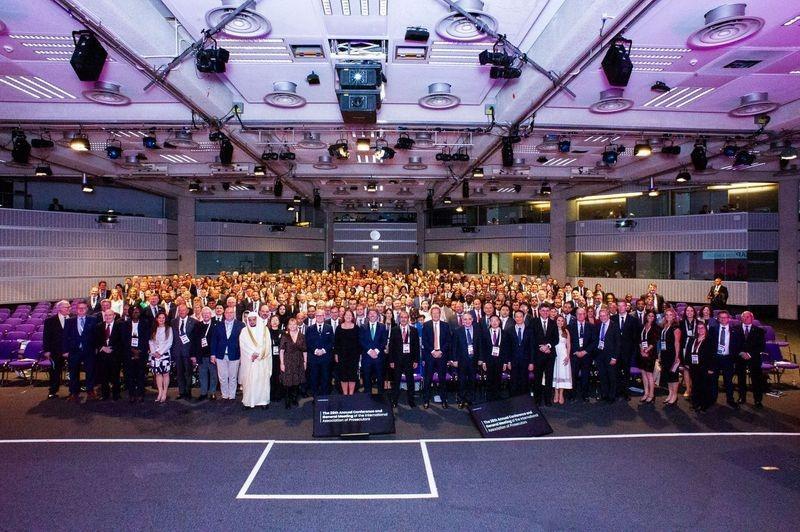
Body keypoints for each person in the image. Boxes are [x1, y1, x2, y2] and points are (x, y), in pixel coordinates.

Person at [63, 301, 98, 402]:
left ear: (87, 309)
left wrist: (96, 348)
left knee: (90, 372)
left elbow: (96, 335)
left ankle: (90, 391)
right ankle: (74, 392)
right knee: (73, 373)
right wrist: (65, 350)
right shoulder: (69, 321)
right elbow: (65, 337)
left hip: (89, 351)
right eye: (79, 308)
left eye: (83, 308)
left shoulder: (93, 319)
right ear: (76, 309)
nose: (81, 310)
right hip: (74, 351)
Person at [238, 312, 272, 409]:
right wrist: (251, 354)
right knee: (249, 382)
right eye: (250, 320)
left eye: (254, 319)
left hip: (262, 361)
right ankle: (248, 402)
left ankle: (263, 401)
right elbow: (243, 345)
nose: (252, 321)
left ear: (257, 319)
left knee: (262, 381)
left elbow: (267, 345)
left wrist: (258, 354)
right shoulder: (244, 331)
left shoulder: (265, 330)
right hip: (249, 361)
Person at [210, 306, 245, 401]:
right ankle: (225, 395)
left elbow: (243, 341)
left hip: (235, 354)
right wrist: (213, 354)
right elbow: (214, 341)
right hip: (220, 355)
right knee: (222, 377)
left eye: (231, 312)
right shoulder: (218, 325)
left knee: (233, 377)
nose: (229, 314)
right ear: (224, 314)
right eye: (227, 312)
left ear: (234, 314)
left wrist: (242, 355)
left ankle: (232, 396)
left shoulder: (241, 325)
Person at [709, 310, 741, 409]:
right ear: (718, 319)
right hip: (715, 358)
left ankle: (730, 400)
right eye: (721, 317)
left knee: (728, 381)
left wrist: (734, 359)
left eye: (725, 317)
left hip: (728, 358)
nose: (723, 319)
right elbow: (709, 344)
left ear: (729, 319)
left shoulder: (734, 330)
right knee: (713, 380)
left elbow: (737, 346)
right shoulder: (713, 329)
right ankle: (713, 399)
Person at [388, 310, 419, 408]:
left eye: (405, 317)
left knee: (410, 381)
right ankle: (394, 400)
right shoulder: (394, 330)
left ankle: (411, 400)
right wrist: (391, 360)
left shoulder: (414, 330)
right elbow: (391, 346)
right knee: (396, 381)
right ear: (399, 319)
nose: (403, 319)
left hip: (409, 360)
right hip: (397, 360)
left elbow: (416, 347)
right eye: (402, 317)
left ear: (408, 319)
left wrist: (416, 360)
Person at [421, 305, 451, 408]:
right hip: (430, 355)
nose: (435, 315)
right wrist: (433, 351)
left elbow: (448, 341)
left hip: (442, 355)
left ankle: (444, 400)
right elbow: (424, 341)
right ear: (431, 314)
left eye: (437, 313)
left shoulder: (445, 325)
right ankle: (426, 400)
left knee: (442, 378)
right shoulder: (426, 325)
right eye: (433, 313)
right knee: (428, 379)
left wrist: (440, 351)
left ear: (440, 314)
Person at [735, 311, 765, 408]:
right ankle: (742, 397)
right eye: (743, 317)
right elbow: (733, 344)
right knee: (741, 379)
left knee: (756, 380)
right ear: (741, 318)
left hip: (754, 358)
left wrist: (749, 354)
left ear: (752, 318)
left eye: (748, 317)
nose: (745, 318)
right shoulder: (735, 329)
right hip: (740, 357)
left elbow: (761, 346)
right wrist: (741, 353)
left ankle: (758, 400)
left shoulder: (759, 331)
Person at [451, 312, 480, 408]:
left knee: (472, 381)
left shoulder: (477, 330)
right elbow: (454, 347)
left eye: (469, 319)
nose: (467, 321)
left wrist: (480, 359)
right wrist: (454, 360)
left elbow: (480, 345)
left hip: (473, 360)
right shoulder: (457, 331)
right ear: (462, 321)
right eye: (465, 319)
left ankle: (471, 399)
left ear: (472, 320)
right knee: (461, 381)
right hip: (461, 360)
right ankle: (461, 399)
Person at [685, 322, 716, 412]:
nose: (700, 330)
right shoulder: (692, 339)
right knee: (695, 385)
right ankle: (695, 403)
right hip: (693, 366)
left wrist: (711, 368)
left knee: (704, 386)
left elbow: (712, 355)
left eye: (702, 328)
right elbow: (688, 351)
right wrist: (687, 363)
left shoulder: (709, 340)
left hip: (705, 367)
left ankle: (704, 404)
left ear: (706, 329)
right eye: (698, 328)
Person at [42, 300, 70, 399]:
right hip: (56, 351)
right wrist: (47, 350)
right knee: (55, 371)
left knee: (74, 370)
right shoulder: (50, 321)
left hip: (71, 350)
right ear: (59, 308)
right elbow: (46, 336)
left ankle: (74, 390)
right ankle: (53, 391)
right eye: (66, 307)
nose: (69, 309)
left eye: (69, 307)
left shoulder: (73, 319)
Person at [532, 303, 558, 406]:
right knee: (537, 378)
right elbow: (532, 338)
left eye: (547, 311)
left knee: (549, 378)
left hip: (549, 355)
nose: (545, 312)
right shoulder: (534, 322)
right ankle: (537, 400)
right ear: (539, 311)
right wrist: (540, 347)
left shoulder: (553, 323)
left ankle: (548, 400)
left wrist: (548, 346)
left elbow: (556, 339)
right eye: (543, 310)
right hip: (538, 355)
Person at [612, 301, 638, 401]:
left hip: (627, 351)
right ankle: (617, 391)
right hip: (616, 351)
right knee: (616, 372)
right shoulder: (613, 318)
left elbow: (635, 337)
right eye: (619, 306)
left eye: (622, 306)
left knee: (626, 373)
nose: (621, 308)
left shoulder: (633, 320)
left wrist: (633, 351)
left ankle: (626, 392)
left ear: (626, 307)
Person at [94, 309, 123, 401]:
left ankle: (116, 394)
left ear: (114, 316)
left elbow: (122, 341)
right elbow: (95, 340)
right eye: (106, 315)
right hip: (102, 355)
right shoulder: (99, 326)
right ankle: (105, 394)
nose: (108, 317)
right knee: (104, 376)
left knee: (115, 376)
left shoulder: (120, 326)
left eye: (110, 315)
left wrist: (112, 348)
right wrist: (102, 348)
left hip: (115, 355)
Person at [122, 306, 150, 402]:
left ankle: (140, 394)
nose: (135, 313)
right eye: (134, 312)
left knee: (141, 374)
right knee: (130, 375)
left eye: (137, 312)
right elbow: (124, 339)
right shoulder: (125, 324)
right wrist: (132, 350)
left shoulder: (145, 323)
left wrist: (139, 350)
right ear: (130, 313)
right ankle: (132, 394)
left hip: (141, 352)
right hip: (129, 352)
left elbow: (146, 338)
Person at [568, 307, 596, 402]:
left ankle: (585, 395)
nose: (581, 315)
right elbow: (569, 342)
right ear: (576, 315)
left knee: (585, 376)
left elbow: (594, 341)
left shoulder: (591, 326)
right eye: (579, 314)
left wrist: (585, 351)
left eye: (583, 314)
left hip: (586, 355)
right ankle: (572, 395)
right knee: (573, 375)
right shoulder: (570, 326)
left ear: (586, 315)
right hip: (574, 355)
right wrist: (576, 351)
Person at [480, 314, 509, 402]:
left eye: (496, 320)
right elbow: (482, 348)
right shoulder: (485, 333)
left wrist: (505, 362)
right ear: (489, 322)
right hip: (489, 360)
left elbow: (506, 349)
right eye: (492, 321)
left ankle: (497, 396)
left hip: (500, 360)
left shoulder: (504, 333)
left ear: (499, 322)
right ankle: (489, 397)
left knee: (498, 378)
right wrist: (484, 362)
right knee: (489, 379)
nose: (494, 322)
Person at [306, 310, 334, 398]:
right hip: (313, 358)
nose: (319, 317)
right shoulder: (310, 328)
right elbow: (307, 342)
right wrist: (315, 351)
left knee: (325, 378)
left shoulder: (329, 328)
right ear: (315, 317)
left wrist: (323, 350)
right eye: (317, 315)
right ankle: (315, 397)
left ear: (324, 316)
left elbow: (332, 342)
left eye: (321, 315)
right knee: (314, 378)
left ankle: (325, 397)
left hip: (325, 357)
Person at [360, 309, 388, 396]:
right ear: (367, 316)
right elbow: (361, 340)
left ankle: (381, 397)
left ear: (377, 315)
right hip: (367, 357)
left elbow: (384, 341)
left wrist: (376, 351)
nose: (372, 315)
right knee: (366, 377)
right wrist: (369, 351)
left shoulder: (382, 326)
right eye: (370, 313)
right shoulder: (363, 327)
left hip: (378, 356)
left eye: (374, 313)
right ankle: (367, 397)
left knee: (380, 377)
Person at [594, 309, 620, 403]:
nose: (602, 317)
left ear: (608, 316)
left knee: (611, 376)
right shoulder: (598, 325)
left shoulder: (615, 326)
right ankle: (604, 394)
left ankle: (612, 396)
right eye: (600, 316)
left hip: (611, 356)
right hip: (600, 355)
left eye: (604, 315)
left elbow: (618, 343)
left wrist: (614, 357)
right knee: (602, 376)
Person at [279, 318, 307, 408]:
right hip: (287, 361)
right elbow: (281, 351)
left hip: (298, 361)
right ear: (288, 326)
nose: (292, 326)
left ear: (297, 325)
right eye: (290, 324)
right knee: (287, 382)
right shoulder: (285, 336)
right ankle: (287, 401)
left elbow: (304, 351)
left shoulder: (302, 336)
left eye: (294, 324)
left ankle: (294, 399)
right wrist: (282, 363)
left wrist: (305, 362)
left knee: (296, 381)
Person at [657, 308, 682, 406]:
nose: (668, 316)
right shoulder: (665, 326)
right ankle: (670, 393)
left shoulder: (676, 328)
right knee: (667, 375)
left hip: (672, 354)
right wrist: (660, 353)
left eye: (670, 314)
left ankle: (675, 395)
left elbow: (677, 343)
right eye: (666, 315)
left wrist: (677, 356)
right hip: (665, 353)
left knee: (673, 375)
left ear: (674, 316)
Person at [192, 306, 217, 401]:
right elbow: (194, 341)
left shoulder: (216, 324)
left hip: (212, 355)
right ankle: (203, 393)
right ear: (201, 315)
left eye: (207, 313)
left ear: (211, 314)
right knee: (202, 375)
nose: (206, 315)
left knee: (213, 375)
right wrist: (193, 355)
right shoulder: (197, 325)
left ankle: (212, 392)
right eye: (204, 313)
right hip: (201, 355)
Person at [171, 304, 196, 400]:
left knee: (188, 373)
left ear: (187, 311)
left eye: (184, 310)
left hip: (188, 352)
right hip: (177, 351)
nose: (182, 312)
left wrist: (194, 354)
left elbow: (195, 339)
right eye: (180, 310)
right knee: (179, 373)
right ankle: (181, 392)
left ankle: (188, 392)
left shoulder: (194, 322)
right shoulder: (173, 322)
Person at [334, 309, 361, 396]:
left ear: (352, 317)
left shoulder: (356, 328)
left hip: (354, 356)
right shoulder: (339, 328)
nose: (348, 317)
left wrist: (359, 355)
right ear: (343, 316)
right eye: (346, 315)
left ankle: (351, 394)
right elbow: (336, 342)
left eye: (350, 315)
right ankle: (345, 394)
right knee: (343, 375)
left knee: (352, 375)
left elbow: (359, 342)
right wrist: (336, 354)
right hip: (342, 355)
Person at [148, 311, 172, 403]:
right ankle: (160, 392)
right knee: (157, 374)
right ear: (156, 319)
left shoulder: (169, 329)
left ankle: (165, 392)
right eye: (159, 318)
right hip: (155, 355)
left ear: (165, 319)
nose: (161, 319)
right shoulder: (154, 329)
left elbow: (169, 343)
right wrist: (154, 352)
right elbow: (151, 341)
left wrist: (160, 352)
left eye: (163, 318)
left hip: (164, 355)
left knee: (165, 373)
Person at [508, 310, 533, 397]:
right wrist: (508, 361)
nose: (518, 318)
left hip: (526, 360)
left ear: (523, 318)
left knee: (524, 380)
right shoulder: (509, 330)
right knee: (513, 380)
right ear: (514, 318)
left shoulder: (530, 330)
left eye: (520, 316)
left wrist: (531, 362)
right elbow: (508, 347)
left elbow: (532, 347)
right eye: (517, 317)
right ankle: (513, 399)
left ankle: (524, 398)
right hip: (513, 360)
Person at [637, 310, 659, 404]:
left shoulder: (656, 327)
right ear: (646, 316)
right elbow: (639, 339)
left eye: (652, 316)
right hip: (642, 353)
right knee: (643, 373)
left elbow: (654, 341)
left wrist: (647, 351)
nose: (650, 317)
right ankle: (646, 393)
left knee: (649, 374)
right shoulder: (642, 326)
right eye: (649, 315)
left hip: (650, 354)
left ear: (654, 318)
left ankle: (651, 395)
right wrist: (642, 350)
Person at [679, 305, 699, 399]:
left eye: (691, 311)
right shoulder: (681, 323)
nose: (689, 312)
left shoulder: (698, 323)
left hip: (696, 348)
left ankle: (695, 388)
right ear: (685, 312)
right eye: (688, 311)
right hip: (684, 348)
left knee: (695, 368)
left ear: (694, 312)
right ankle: (687, 389)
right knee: (686, 368)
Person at [551, 314, 572, 405]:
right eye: (558, 320)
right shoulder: (552, 330)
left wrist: (568, 356)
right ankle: (556, 393)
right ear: (555, 321)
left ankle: (561, 394)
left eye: (562, 321)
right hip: (554, 354)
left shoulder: (566, 331)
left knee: (562, 373)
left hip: (563, 354)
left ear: (564, 322)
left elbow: (568, 344)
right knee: (555, 373)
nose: (560, 322)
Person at [267, 314, 285, 401]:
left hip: (280, 357)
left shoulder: (283, 333)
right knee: (271, 376)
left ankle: (279, 394)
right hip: (269, 357)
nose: (274, 322)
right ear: (270, 322)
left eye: (276, 320)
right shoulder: (267, 332)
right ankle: (271, 394)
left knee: (279, 376)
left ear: (279, 322)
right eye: (273, 320)